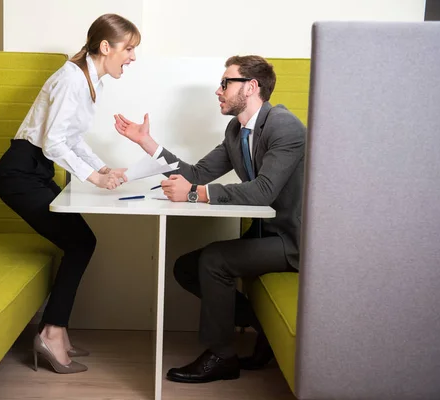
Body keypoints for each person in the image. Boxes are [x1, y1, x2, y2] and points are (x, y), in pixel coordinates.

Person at [114, 55, 305, 383]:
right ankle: (265, 332)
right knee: (187, 267)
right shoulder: (236, 131)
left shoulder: (283, 125)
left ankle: (222, 356)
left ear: (252, 86)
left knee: (215, 260)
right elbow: (197, 173)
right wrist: (148, 143)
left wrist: (196, 194)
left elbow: (263, 192)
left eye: (225, 83)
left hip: (294, 241)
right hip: (265, 236)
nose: (218, 90)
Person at [0, 14, 141, 374]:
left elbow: (72, 138)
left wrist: (101, 166)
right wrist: (93, 177)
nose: (133, 57)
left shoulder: (90, 80)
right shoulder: (71, 79)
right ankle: (53, 332)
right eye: (130, 48)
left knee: (80, 242)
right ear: (106, 47)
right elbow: (54, 141)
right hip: (20, 172)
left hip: (37, 170)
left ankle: (58, 331)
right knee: (81, 243)